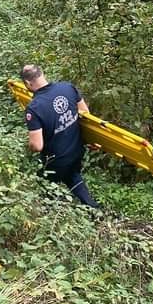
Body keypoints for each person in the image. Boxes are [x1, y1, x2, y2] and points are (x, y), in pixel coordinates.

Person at [21, 63, 99, 209]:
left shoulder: (35, 107)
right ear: (42, 73)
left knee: (44, 184)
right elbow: (85, 114)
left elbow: (37, 146)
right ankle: (95, 209)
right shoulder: (67, 87)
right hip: (76, 152)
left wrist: (29, 144)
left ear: (27, 83)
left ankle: (50, 214)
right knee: (72, 176)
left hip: (55, 161)